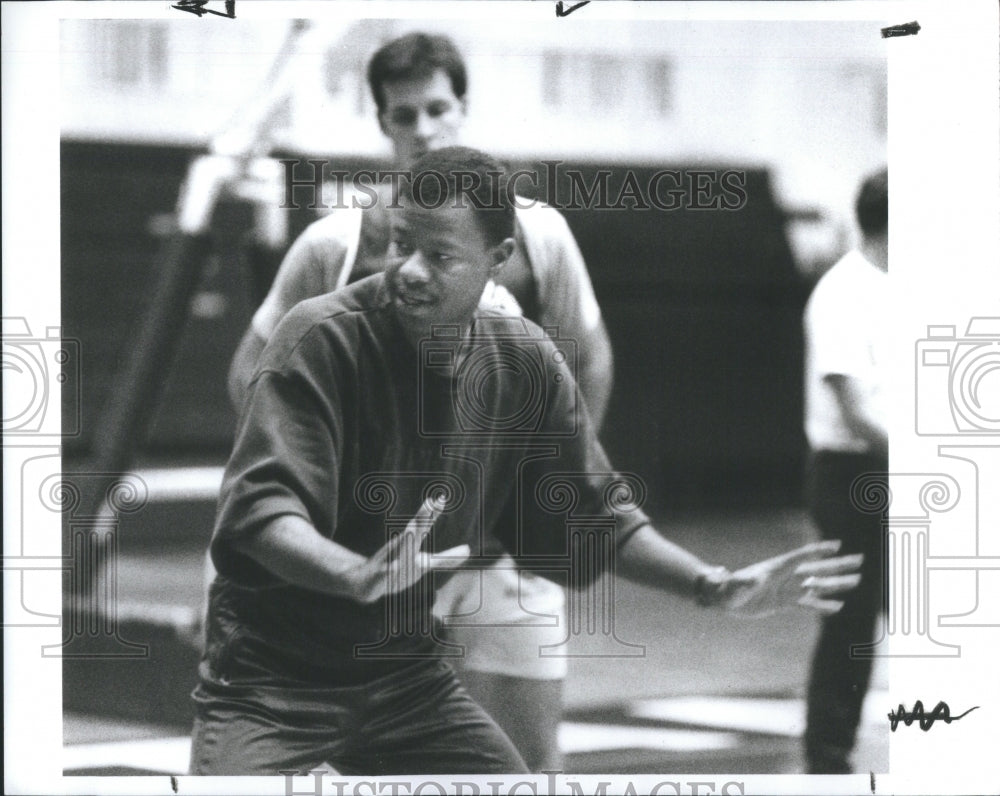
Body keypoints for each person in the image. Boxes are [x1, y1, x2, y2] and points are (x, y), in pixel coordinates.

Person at [191, 146, 863, 776]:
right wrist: (355, 574)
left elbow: (597, 516)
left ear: (499, 258)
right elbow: (262, 511)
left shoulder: (522, 360)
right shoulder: (318, 335)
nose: (410, 270)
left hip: (400, 676)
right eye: (401, 244)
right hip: (270, 679)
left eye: (438, 254)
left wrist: (713, 585)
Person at [225, 32, 612, 771]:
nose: (424, 129)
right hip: (379, 553)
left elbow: (587, 364)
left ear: (462, 109)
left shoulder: (538, 234)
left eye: (438, 109)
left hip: (499, 553)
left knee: (528, 765)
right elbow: (252, 373)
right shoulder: (335, 243)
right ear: (382, 123)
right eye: (406, 115)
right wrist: (320, 506)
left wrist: (545, 498)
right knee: (390, 760)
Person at [802, 166, 889, 774]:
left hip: (900, 468)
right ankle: (828, 756)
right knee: (853, 619)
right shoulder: (843, 291)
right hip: (853, 476)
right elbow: (856, 410)